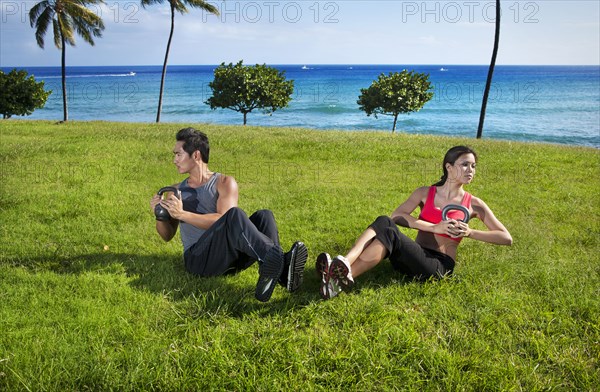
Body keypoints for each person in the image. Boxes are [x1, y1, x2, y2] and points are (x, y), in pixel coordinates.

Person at [316, 145, 512, 299]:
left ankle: (337, 278)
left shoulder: (474, 204)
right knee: (385, 222)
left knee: (389, 234)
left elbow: (505, 237)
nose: (471, 170)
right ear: (449, 167)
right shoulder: (425, 193)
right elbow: (397, 216)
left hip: (437, 266)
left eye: (473, 166)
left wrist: (469, 232)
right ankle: (344, 265)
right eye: (465, 164)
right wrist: (434, 227)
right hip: (412, 258)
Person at [150, 127, 308, 302]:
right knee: (235, 216)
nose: (174, 160)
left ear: (195, 155)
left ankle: (272, 268)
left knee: (264, 216)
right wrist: (161, 215)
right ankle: (280, 266)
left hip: (229, 260)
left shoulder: (224, 182)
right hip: (198, 261)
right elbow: (166, 236)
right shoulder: (176, 191)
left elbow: (224, 220)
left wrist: (182, 214)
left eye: (178, 154)